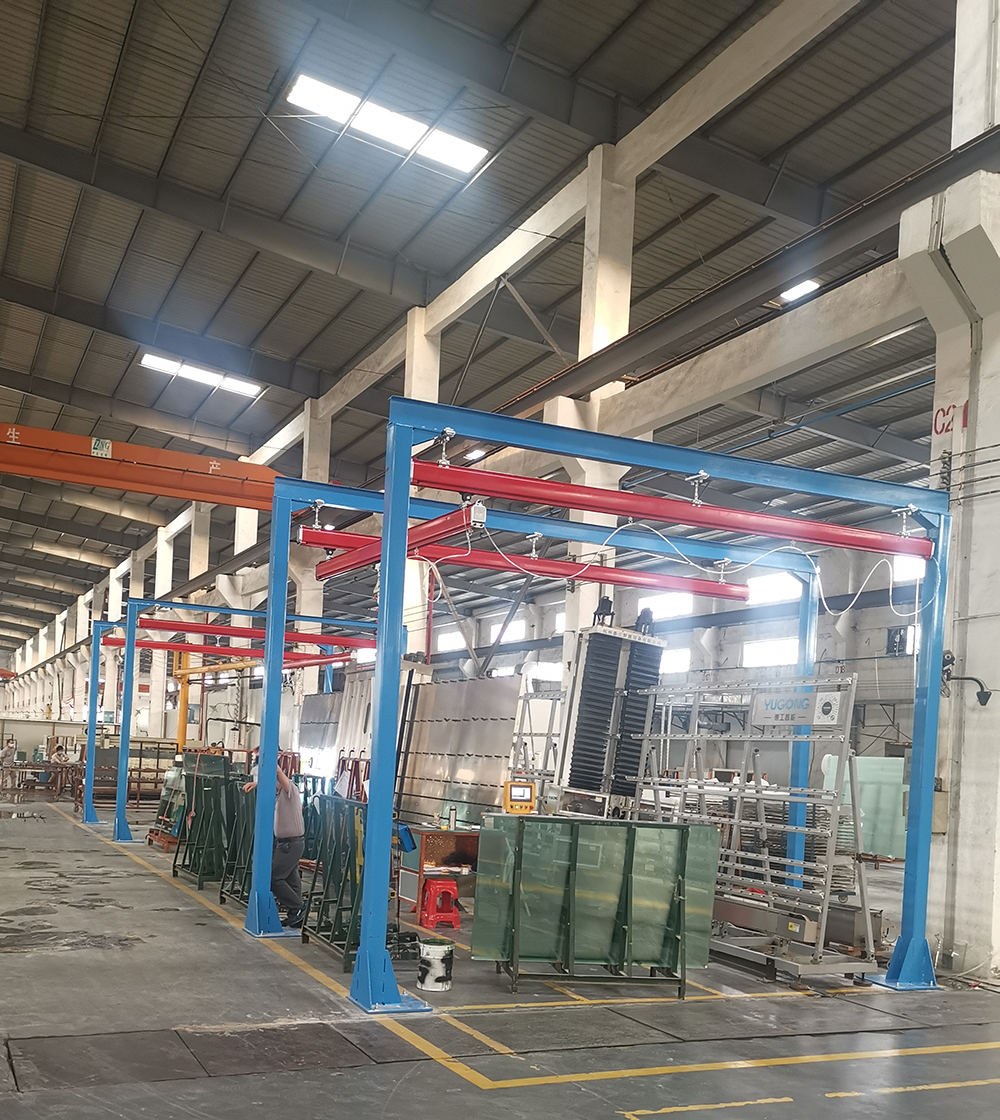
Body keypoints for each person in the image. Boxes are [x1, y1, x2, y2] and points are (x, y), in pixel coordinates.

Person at [242, 765, 306, 928]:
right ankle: (296, 916)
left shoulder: (290, 790)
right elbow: (273, 783)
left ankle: (298, 907)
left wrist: (270, 762)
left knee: (274, 878)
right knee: (291, 880)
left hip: (292, 844)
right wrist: (257, 784)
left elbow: (278, 773)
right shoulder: (278, 794)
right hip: (284, 844)